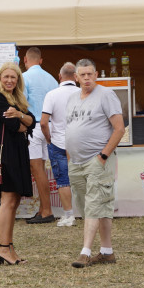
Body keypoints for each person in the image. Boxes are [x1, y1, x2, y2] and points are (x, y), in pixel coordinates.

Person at [66, 59, 125, 269]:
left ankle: (85, 252)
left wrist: (103, 156)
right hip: (76, 162)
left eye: (90, 74)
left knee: (93, 204)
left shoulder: (106, 95)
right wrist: (70, 156)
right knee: (94, 206)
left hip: (97, 160)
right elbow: (70, 129)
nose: (86, 78)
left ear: (96, 74)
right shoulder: (72, 98)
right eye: (82, 75)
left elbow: (119, 128)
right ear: (76, 77)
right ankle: (107, 252)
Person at [0, 63, 36, 264]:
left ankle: (8, 246)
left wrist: (21, 116)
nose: (9, 80)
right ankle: (3, 248)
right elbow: (17, 126)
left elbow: (32, 121)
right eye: (5, 77)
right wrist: (22, 119)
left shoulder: (17, 99)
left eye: (13, 77)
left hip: (18, 152)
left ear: (18, 80)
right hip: (6, 154)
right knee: (7, 201)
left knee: (14, 201)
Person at [22, 48, 59, 224]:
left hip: (34, 126)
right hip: (50, 126)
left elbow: (22, 103)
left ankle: (46, 211)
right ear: (41, 61)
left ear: (25, 60)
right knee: (42, 169)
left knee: (38, 170)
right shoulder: (52, 78)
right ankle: (43, 209)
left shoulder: (24, 77)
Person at [40, 62, 79, 227]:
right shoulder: (82, 92)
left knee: (63, 180)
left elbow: (43, 122)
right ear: (76, 77)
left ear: (59, 76)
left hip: (58, 141)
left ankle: (69, 215)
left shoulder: (52, 94)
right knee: (86, 178)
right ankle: (90, 213)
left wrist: (48, 138)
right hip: (80, 142)